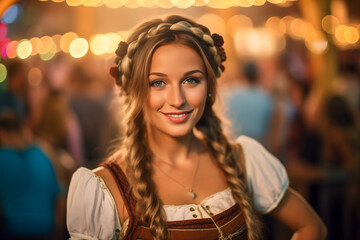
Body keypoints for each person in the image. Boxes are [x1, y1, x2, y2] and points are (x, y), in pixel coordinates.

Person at [66, 15, 326, 240]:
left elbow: (311, 226)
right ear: (134, 90)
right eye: (158, 83)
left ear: (210, 87)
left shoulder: (242, 160)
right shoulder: (106, 188)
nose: (178, 99)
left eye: (191, 80)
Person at [0, 97, 64, 239]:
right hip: (46, 230)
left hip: (13, 231)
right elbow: (60, 197)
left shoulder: (2, 158)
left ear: (2, 133)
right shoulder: (45, 153)